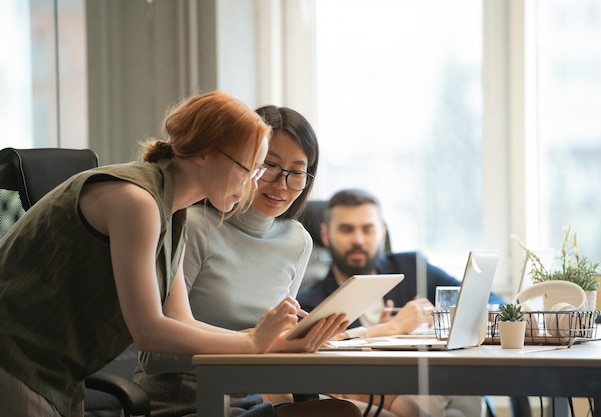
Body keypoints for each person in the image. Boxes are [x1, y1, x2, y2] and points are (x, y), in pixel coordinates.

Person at [0, 92, 348, 417]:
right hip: (17, 358)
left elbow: (181, 322)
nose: (255, 183)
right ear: (203, 153)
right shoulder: (138, 202)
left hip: (58, 374)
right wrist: (253, 341)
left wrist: (267, 342)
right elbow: (149, 332)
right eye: (250, 168)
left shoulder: (172, 212)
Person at [133, 105, 360, 417]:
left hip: (248, 399)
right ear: (247, 164)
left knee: (347, 410)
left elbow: (270, 344)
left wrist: (295, 341)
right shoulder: (191, 225)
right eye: (270, 167)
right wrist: (258, 342)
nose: (282, 185)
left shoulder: (298, 240)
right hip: (181, 398)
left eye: (296, 173)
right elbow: (154, 356)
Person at [297, 188, 507, 417]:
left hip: (443, 380)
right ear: (326, 235)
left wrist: (440, 318)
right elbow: (321, 366)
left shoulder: (410, 267)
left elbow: (492, 300)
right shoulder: (311, 304)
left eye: (368, 229)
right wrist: (383, 331)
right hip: (390, 394)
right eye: (346, 230)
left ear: (383, 234)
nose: (358, 239)